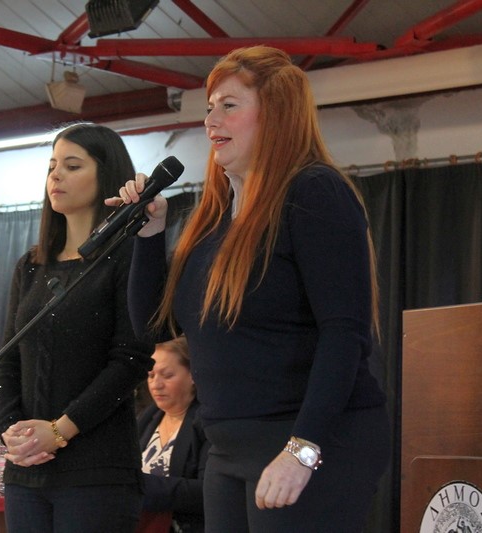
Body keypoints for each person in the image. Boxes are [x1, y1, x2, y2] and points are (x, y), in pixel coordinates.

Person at [115, 46, 390, 532]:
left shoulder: (313, 192)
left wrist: (302, 451)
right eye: (209, 108)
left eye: (229, 106)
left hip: (306, 438)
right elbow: (154, 327)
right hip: (227, 447)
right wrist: (149, 236)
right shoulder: (214, 221)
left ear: (275, 114)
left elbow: (344, 333)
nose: (210, 121)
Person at [0, 123, 155, 532]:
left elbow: (131, 360)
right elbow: (7, 358)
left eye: (72, 165)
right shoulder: (31, 265)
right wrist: (10, 432)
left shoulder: (129, 255)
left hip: (96, 472)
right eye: (52, 167)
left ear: (106, 175)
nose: (56, 176)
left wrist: (60, 430)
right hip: (26, 471)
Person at [137, 336, 208, 533]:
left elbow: (208, 491)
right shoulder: (147, 417)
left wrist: (140, 485)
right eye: (151, 375)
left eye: (167, 375)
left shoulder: (206, 422)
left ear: (192, 375)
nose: (156, 384)